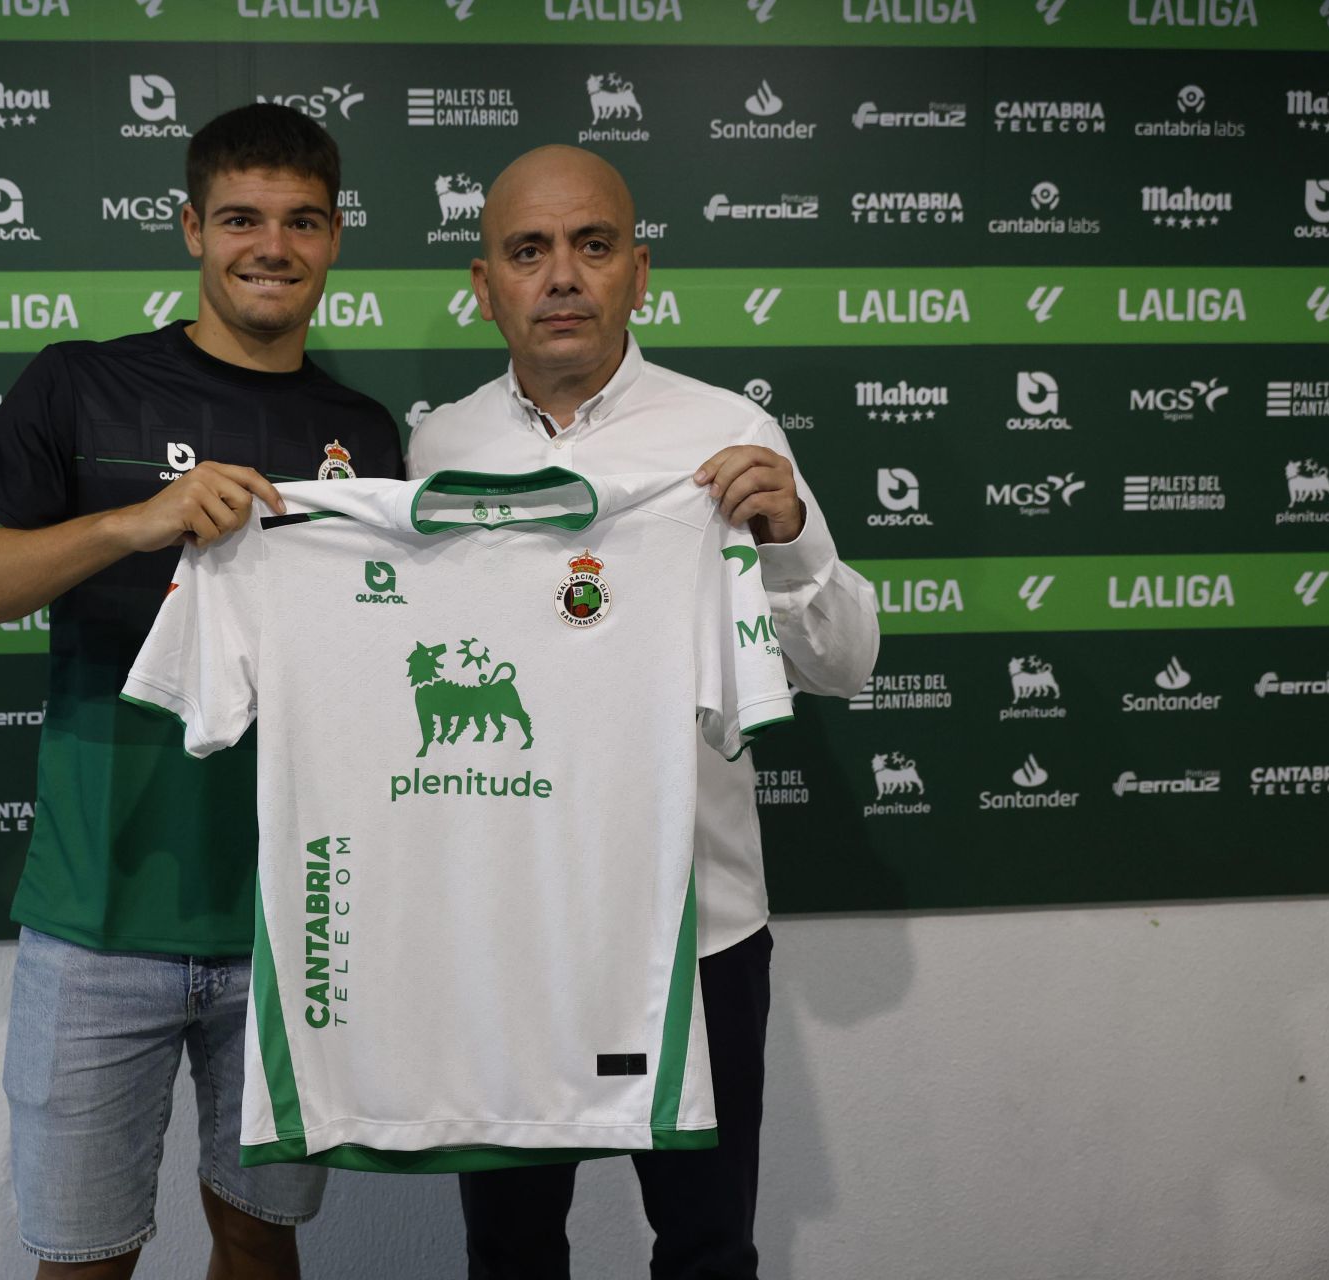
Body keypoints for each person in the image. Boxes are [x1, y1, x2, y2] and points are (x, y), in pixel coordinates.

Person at [0, 104, 403, 1279]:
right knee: (82, 1255)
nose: (270, 246)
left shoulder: (364, 432)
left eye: (301, 221)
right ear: (192, 227)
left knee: (260, 1233)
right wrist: (133, 521)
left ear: (336, 238)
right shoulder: (81, 384)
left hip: (293, 925)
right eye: (241, 217)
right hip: (97, 924)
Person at [406, 144, 879, 1280]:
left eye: (592, 245)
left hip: (696, 927)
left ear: (639, 270)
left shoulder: (731, 431)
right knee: (511, 1250)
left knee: (708, 1246)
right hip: (509, 934)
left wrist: (794, 535)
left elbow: (847, 661)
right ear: (486, 285)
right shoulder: (434, 449)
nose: (561, 275)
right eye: (529, 250)